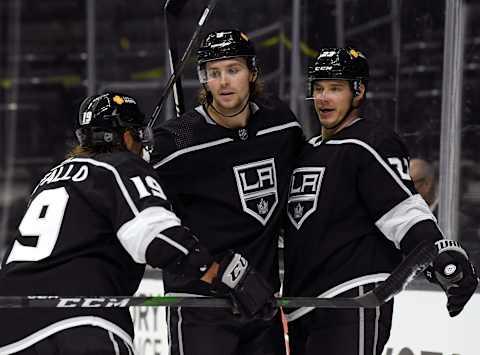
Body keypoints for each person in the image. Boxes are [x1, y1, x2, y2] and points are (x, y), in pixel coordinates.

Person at [0, 92, 253, 355]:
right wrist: (222, 275)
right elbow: (156, 235)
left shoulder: (51, 178)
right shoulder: (121, 165)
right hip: (81, 323)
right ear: (126, 136)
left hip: (10, 329)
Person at [283, 47, 478, 355]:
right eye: (318, 88)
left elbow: (403, 210)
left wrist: (440, 252)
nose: (323, 98)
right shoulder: (308, 150)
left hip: (351, 299)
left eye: (335, 88)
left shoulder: (371, 141)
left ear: (358, 92)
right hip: (303, 304)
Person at [150, 29, 304, 355]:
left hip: (260, 301)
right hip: (200, 305)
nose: (223, 82)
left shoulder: (281, 125)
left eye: (232, 70)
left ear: (252, 72)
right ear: (203, 80)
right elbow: (148, 214)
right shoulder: (175, 140)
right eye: (213, 73)